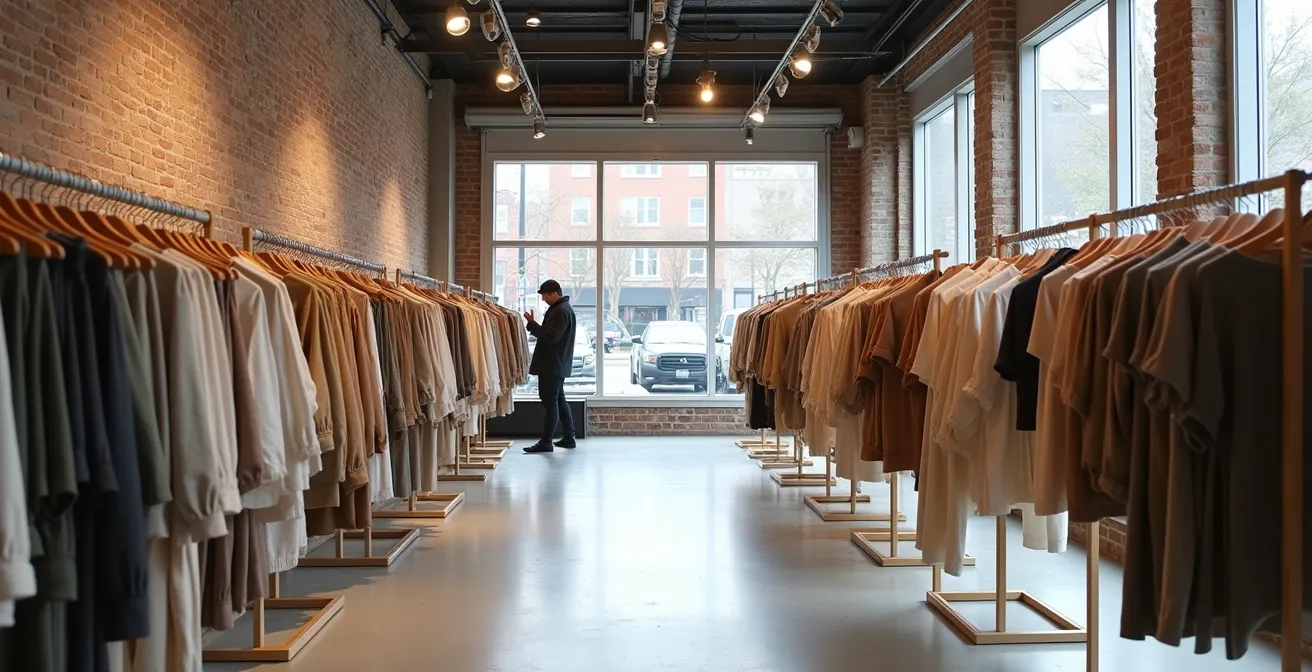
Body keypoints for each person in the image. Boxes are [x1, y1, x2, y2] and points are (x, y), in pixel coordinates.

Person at [522, 279, 578, 453]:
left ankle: (546, 441)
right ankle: (569, 436)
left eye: (545, 294)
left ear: (555, 293)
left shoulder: (560, 311)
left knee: (550, 402)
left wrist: (532, 325)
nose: (543, 298)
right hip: (557, 364)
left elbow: (551, 336)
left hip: (552, 364)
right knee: (559, 400)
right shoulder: (562, 309)